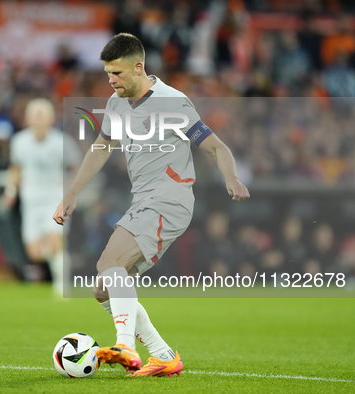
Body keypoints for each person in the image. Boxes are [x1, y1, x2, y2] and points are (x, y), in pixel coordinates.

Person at [53, 33, 250, 377]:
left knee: (110, 261)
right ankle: (162, 355)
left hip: (170, 199)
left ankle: (125, 346)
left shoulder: (173, 102)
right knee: (104, 287)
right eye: (107, 73)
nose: (111, 80)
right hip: (143, 201)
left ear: (138, 67)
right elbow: (101, 147)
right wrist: (72, 192)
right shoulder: (115, 104)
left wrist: (230, 177)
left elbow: (217, 147)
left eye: (116, 73)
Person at [5, 98, 80, 293]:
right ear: (28, 119)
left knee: (55, 241)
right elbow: (16, 169)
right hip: (31, 200)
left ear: (51, 118)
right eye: (34, 116)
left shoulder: (61, 142)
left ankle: (61, 283)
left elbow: (76, 167)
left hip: (55, 199)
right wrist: (10, 191)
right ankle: (59, 266)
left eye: (42, 116)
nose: (38, 121)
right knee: (35, 252)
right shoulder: (19, 142)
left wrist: (70, 187)